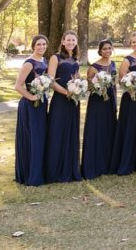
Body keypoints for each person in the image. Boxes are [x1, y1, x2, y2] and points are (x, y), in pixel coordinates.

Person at [45, 30, 82, 184]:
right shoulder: (55, 58)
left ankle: (70, 169)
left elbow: (77, 77)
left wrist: (79, 87)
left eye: (73, 40)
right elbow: (51, 81)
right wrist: (67, 92)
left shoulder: (75, 59)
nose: (71, 42)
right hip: (60, 100)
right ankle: (55, 170)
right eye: (68, 40)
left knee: (71, 131)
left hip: (74, 101)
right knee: (57, 131)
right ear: (63, 41)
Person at [110, 31, 136, 175]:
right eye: (133, 42)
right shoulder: (128, 59)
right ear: (130, 44)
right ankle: (127, 161)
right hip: (131, 97)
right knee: (130, 126)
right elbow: (121, 80)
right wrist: (131, 85)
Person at [14, 34, 49, 186]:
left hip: (42, 104)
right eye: (38, 44)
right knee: (32, 138)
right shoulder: (29, 63)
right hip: (30, 106)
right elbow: (17, 86)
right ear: (33, 46)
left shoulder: (44, 61)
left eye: (44, 44)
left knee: (40, 138)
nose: (41, 47)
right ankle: (30, 174)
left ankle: (39, 171)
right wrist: (32, 97)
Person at [81, 39, 117, 180]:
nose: (107, 51)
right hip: (97, 102)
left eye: (109, 48)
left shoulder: (113, 64)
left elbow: (114, 84)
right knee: (96, 129)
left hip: (110, 101)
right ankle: (93, 164)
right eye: (104, 49)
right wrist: (98, 86)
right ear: (100, 51)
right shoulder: (94, 67)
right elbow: (88, 86)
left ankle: (108, 163)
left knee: (109, 129)